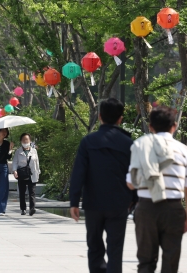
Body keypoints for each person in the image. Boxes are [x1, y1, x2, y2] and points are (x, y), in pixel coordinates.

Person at [126, 106, 187, 273]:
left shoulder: (140, 146)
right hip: (173, 209)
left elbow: (130, 183)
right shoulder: (184, 151)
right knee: (170, 262)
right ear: (175, 125)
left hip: (146, 208)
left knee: (146, 261)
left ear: (151, 127)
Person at [69, 98, 134, 273]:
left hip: (93, 203)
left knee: (95, 246)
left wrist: (74, 201)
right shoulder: (129, 143)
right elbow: (135, 175)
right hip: (119, 203)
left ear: (99, 117)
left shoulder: (88, 142)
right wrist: (132, 201)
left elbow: (78, 173)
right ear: (120, 118)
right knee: (115, 249)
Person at [13, 133, 41, 216]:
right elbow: (15, 162)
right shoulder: (18, 151)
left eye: (27, 139)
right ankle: (23, 209)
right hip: (22, 174)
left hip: (32, 174)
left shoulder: (34, 151)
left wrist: (38, 171)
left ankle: (32, 209)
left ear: (30, 141)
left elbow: (37, 162)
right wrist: (15, 171)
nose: (25, 141)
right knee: (22, 192)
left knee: (32, 192)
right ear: (21, 141)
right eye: (24, 140)